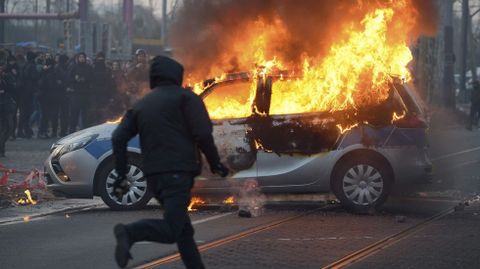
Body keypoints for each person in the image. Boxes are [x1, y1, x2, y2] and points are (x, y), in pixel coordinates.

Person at [111, 56, 229, 268]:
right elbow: (202, 134)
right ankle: (129, 232)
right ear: (177, 75)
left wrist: (121, 174)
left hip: (154, 176)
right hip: (177, 173)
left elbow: (118, 137)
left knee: (184, 232)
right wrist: (215, 163)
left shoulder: (142, 105)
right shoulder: (187, 98)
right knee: (172, 230)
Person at [68, 52, 93, 133]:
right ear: (77, 58)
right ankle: (72, 130)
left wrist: (84, 79)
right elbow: (69, 78)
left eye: (83, 57)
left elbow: (92, 78)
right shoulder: (74, 67)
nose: (82, 59)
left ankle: (85, 131)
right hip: (76, 94)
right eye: (80, 57)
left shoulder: (88, 67)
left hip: (86, 94)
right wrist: (76, 79)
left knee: (85, 114)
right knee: (74, 113)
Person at [17, 51, 39, 139]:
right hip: (29, 92)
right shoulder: (32, 66)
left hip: (23, 92)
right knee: (27, 113)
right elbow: (35, 77)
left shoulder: (24, 66)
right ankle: (26, 131)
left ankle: (21, 131)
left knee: (23, 113)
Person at [90, 52, 114, 124]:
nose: (100, 59)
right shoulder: (93, 68)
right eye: (99, 57)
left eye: (102, 58)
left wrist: (109, 94)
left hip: (104, 94)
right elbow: (91, 80)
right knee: (95, 113)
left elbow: (109, 82)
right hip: (95, 94)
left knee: (104, 112)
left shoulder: (107, 69)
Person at [0, 61, 17, 157]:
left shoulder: (6, 77)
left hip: (7, 105)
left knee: (10, 127)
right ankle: (2, 150)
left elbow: (13, 87)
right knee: (2, 129)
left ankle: (2, 146)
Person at [37, 58, 56, 138]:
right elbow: (48, 85)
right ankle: (42, 132)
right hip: (46, 96)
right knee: (45, 115)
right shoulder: (48, 73)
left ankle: (43, 131)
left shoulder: (45, 72)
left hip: (45, 96)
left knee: (45, 115)